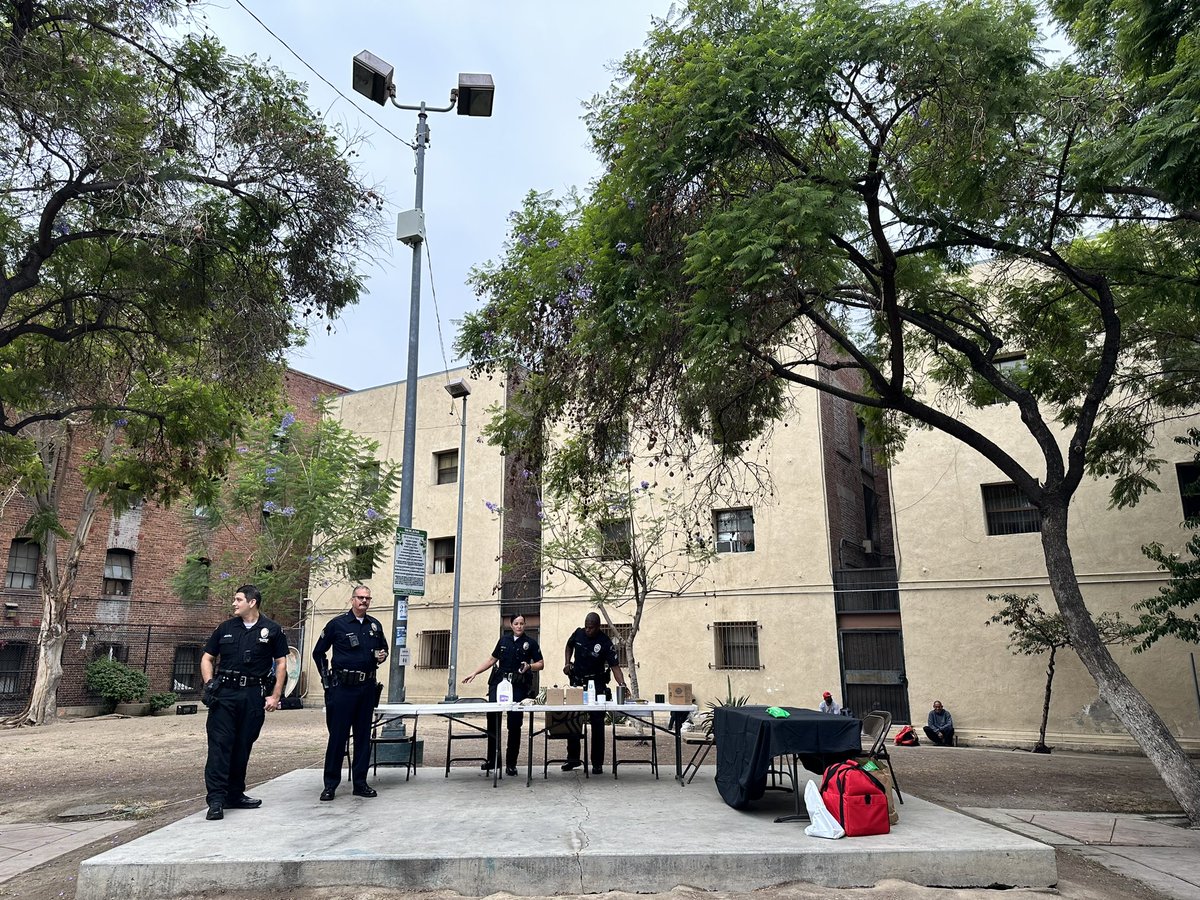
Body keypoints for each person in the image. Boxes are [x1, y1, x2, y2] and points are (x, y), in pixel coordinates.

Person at [199, 583, 288, 821]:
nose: (234, 603)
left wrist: (275, 695)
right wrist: (209, 684)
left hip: (252, 695)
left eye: (238, 599)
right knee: (219, 746)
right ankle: (216, 799)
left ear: (252, 602)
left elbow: (281, 663)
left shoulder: (272, 629)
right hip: (225, 694)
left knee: (242, 746)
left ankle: (235, 794)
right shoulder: (225, 628)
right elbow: (207, 658)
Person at [312, 584, 389, 801]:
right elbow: (318, 652)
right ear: (352, 600)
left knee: (364, 737)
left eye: (367, 598)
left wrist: (382, 657)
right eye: (360, 598)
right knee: (338, 737)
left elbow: (384, 649)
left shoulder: (375, 625)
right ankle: (330, 785)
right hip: (343, 688)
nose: (364, 601)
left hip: (366, 688)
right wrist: (326, 678)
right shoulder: (338, 624)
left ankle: (360, 783)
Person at [462, 613, 544, 777]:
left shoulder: (531, 643)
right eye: (516, 623)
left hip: (518, 686)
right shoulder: (503, 641)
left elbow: (541, 664)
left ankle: (511, 764)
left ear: (524, 625)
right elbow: (492, 660)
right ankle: (493, 760)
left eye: (522, 623)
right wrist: (474, 673)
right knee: (493, 719)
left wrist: (529, 666)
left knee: (514, 724)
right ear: (510, 625)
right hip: (499, 684)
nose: (519, 626)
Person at [562, 611, 628, 775]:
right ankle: (573, 759)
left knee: (597, 723)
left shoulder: (604, 642)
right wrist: (567, 662)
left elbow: (614, 667)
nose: (587, 630)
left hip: (597, 684)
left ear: (598, 627)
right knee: (573, 720)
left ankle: (597, 763)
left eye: (591, 628)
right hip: (578, 682)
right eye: (586, 627)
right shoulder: (578, 633)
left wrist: (623, 684)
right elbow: (568, 645)